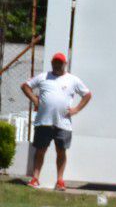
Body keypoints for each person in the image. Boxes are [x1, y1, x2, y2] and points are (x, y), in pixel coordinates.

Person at [20, 52, 92, 191]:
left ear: (65, 64)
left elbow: (87, 94)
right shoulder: (43, 77)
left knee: (61, 151)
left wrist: (76, 109)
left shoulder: (73, 79)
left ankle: (59, 181)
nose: (57, 64)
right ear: (52, 63)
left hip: (63, 123)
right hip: (44, 121)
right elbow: (25, 86)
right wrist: (35, 100)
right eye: (55, 62)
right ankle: (35, 178)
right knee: (40, 150)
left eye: (60, 62)